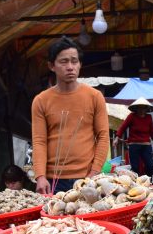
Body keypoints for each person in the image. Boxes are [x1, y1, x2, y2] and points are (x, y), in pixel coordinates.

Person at [31, 37, 110, 194]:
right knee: (55, 218)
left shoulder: (94, 96)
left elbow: (103, 136)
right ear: (51, 66)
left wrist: (94, 173)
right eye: (64, 62)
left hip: (87, 178)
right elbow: (39, 141)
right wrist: (40, 176)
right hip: (53, 179)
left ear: (80, 64)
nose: (70, 67)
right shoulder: (41, 100)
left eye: (74, 61)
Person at [116, 97, 153, 179]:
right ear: (136, 108)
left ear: (146, 109)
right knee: (135, 167)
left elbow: (152, 131)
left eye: (143, 108)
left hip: (146, 145)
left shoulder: (148, 117)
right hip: (134, 145)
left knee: (150, 166)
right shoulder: (131, 116)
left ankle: (148, 182)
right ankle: (136, 183)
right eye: (139, 107)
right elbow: (123, 127)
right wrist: (117, 137)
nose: (141, 110)